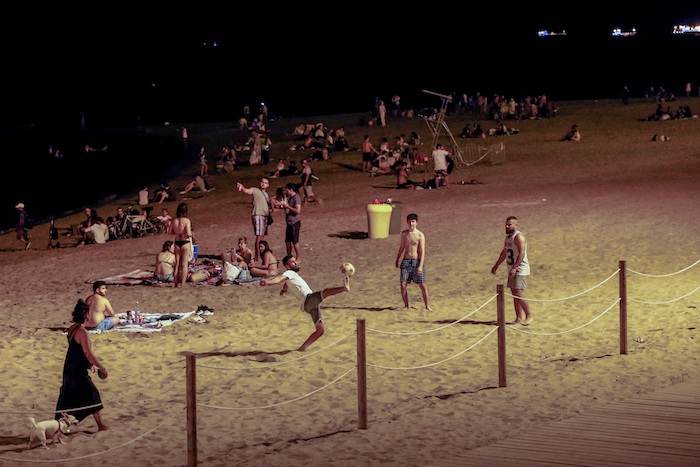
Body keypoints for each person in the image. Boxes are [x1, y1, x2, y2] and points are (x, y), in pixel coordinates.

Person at [259, 255, 351, 351]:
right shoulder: (289, 272)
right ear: (287, 266)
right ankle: (343, 288)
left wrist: (283, 291)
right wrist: (267, 282)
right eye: (293, 262)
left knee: (320, 330)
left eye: (295, 261)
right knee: (325, 292)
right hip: (308, 300)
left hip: (309, 306)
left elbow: (286, 284)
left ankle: (302, 348)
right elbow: (279, 279)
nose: (296, 263)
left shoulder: (291, 276)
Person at [55, 299, 108, 431]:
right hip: (77, 371)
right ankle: (101, 425)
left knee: (69, 395)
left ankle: (57, 426)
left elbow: (77, 351)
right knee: (92, 394)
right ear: (86, 315)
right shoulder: (82, 332)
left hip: (70, 367)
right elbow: (87, 353)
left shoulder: (72, 328)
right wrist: (101, 366)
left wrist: (89, 365)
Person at [491, 215, 532, 325]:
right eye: (506, 224)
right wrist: (496, 265)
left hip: (520, 269)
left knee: (518, 293)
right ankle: (518, 318)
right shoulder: (508, 237)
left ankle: (529, 316)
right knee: (514, 293)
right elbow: (504, 252)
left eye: (509, 224)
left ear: (515, 225)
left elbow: (522, 253)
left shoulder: (519, 237)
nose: (507, 226)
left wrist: (515, 268)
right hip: (511, 269)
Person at [395, 213, 431, 310]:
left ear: (417, 223)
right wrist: (397, 258)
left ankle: (427, 305)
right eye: (410, 222)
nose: (411, 224)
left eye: (413, 222)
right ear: (407, 222)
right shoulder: (404, 234)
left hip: (416, 261)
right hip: (406, 261)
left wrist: (420, 265)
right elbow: (402, 247)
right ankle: (406, 305)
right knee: (403, 284)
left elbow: (422, 251)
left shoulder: (420, 235)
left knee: (422, 284)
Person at [236, 177, 271, 262]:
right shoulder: (255, 190)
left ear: (268, 185)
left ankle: (260, 255)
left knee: (261, 236)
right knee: (259, 237)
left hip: (264, 217)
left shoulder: (266, 195)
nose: (263, 184)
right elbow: (247, 191)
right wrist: (242, 187)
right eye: (262, 182)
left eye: (265, 183)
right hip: (258, 215)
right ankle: (258, 256)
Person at [168, 202, 193, 287]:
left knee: (177, 263)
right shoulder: (186, 220)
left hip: (177, 241)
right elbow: (189, 234)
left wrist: (177, 233)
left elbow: (169, 232)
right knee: (184, 263)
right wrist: (186, 234)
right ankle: (182, 284)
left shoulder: (174, 220)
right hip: (185, 241)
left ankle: (175, 282)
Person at [281, 182, 302, 260]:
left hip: (294, 223)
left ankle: (298, 257)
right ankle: (289, 256)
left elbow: (298, 210)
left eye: (287, 190)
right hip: (289, 223)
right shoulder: (290, 198)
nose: (286, 192)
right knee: (287, 241)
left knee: (294, 241)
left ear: (291, 190)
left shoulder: (296, 198)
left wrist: (288, 207)